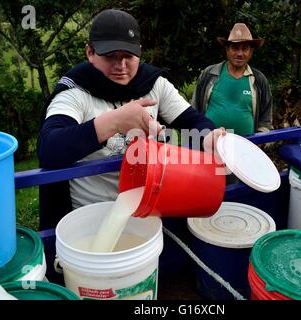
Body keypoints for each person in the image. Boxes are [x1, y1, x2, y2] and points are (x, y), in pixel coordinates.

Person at [37, 9, 224, 230]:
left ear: (140, 53)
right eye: (110, 56)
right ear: (90, 52)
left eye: (128, 56)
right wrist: (114, 122)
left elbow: (195, 122)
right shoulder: (75, 92)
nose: (121, 66)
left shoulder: (154, 84)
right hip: (91, 217)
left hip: (147, 208)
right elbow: (49, 147)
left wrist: (208, 138)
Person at [191, 23, 274, 135]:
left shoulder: (259, 80)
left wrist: (260, 140)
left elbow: (266, 119)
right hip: (209, 144)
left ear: (251, 52)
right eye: (235, 48)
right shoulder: (210, 74)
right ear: (227, 49)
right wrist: (195, 137)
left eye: (245, 49)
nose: (239, 53)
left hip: (245, 147)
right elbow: (195, 109)